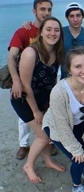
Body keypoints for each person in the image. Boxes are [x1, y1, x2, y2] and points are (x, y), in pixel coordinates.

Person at [10, 17, 65, 183]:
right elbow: (25, 85)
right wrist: (35, 110)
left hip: (43, 100)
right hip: (24, 100)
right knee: (44, 136)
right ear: (40, 32)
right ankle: (28, 165)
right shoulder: (30, 52)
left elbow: (54, 79)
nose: (52, 33)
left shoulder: (57, 52)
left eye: (56, 30)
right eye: (48, 29)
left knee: (45, 132)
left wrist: (51, 103)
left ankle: (47, 160)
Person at [43, 48, 84, 192]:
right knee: (79, 159)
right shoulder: (59, 92)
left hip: (80, 125)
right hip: (57, 127)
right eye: (77, 66)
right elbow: (61, 124)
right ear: (69, 70)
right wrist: (76, 149)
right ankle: (76, 185)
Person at [7, 0, 57, 160]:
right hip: (26, 83)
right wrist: (16, 80)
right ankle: (24, 145)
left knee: (44, 116)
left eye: (49, 9)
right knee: (25, 117)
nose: (46, 12)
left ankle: (46, 143)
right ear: (34, 11)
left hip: (44, 84)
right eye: (42, 9)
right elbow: (11, 57)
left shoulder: (52, 30)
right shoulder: (24, 31)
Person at [61, 2, 84, 79]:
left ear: (83, 16)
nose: (75, 19)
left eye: (78, 15)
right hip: (66, 77)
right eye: (71, 16)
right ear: (66, 17)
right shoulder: (60, 32)